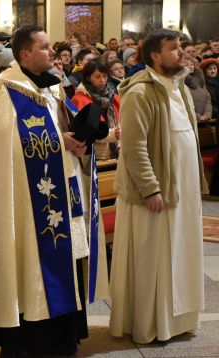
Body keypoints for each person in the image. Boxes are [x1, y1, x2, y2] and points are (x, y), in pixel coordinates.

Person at [0, 25, 108, 356]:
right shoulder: (5, 91)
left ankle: (62, 337)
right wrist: (62, 143)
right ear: (24, 54)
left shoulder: (52, 86)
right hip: (28, 204)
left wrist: (81, 136)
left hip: (61, 186)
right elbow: (8, 147)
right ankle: (31, 342)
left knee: (65, 260)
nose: (51, 53)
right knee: (31, 263)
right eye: (44, 48)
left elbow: (65, 124)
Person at [109, 29, 208, 344]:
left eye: (181, 47)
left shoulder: (178, 87)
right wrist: (151, 188)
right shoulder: (140, 92)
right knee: (155, 259)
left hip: (182, 190)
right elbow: (134, 147)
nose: (181, 53)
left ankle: (178, 320)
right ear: (155, 55)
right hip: (154, 193)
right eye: (174, 48)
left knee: (180, 252)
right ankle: (150, 324)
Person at [72, 59, 121, 160]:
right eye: (97, 76)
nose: (102, 80)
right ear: (88, 77)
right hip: (94, 155)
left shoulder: (113, 96)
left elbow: (122, 122)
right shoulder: (80, 99)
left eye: (105, 76)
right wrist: (112, 134)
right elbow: (84, 133)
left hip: (116, 151)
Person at [184, 55, 213, 121]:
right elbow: (184, 105)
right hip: (189, 120)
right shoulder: (181, 83)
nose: (190, 66)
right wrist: (198, 116)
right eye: (186, 65)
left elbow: (208, 100)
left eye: (191, 64)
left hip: (204, 119)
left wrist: (207, 114)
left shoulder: (200, 80)